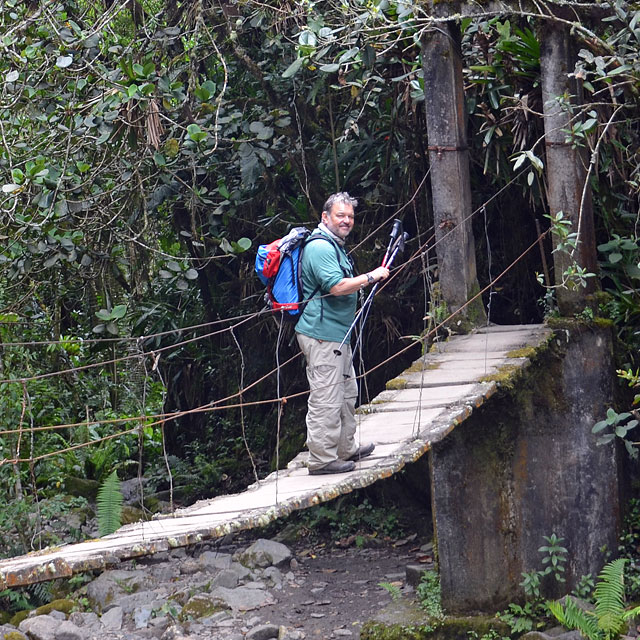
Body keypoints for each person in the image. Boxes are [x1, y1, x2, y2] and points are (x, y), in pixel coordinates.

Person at [295, 192, 390, 475]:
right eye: (340, 215)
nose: (346, 221)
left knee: (347, 392)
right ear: (326, 217)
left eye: (350, 216)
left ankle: (344, 448)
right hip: (322, 335)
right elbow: (336, 287)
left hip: (338, 335)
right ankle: (322, 460)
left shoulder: (335, 245)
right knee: (327, 396)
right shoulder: (321, 248)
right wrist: (371, 276)